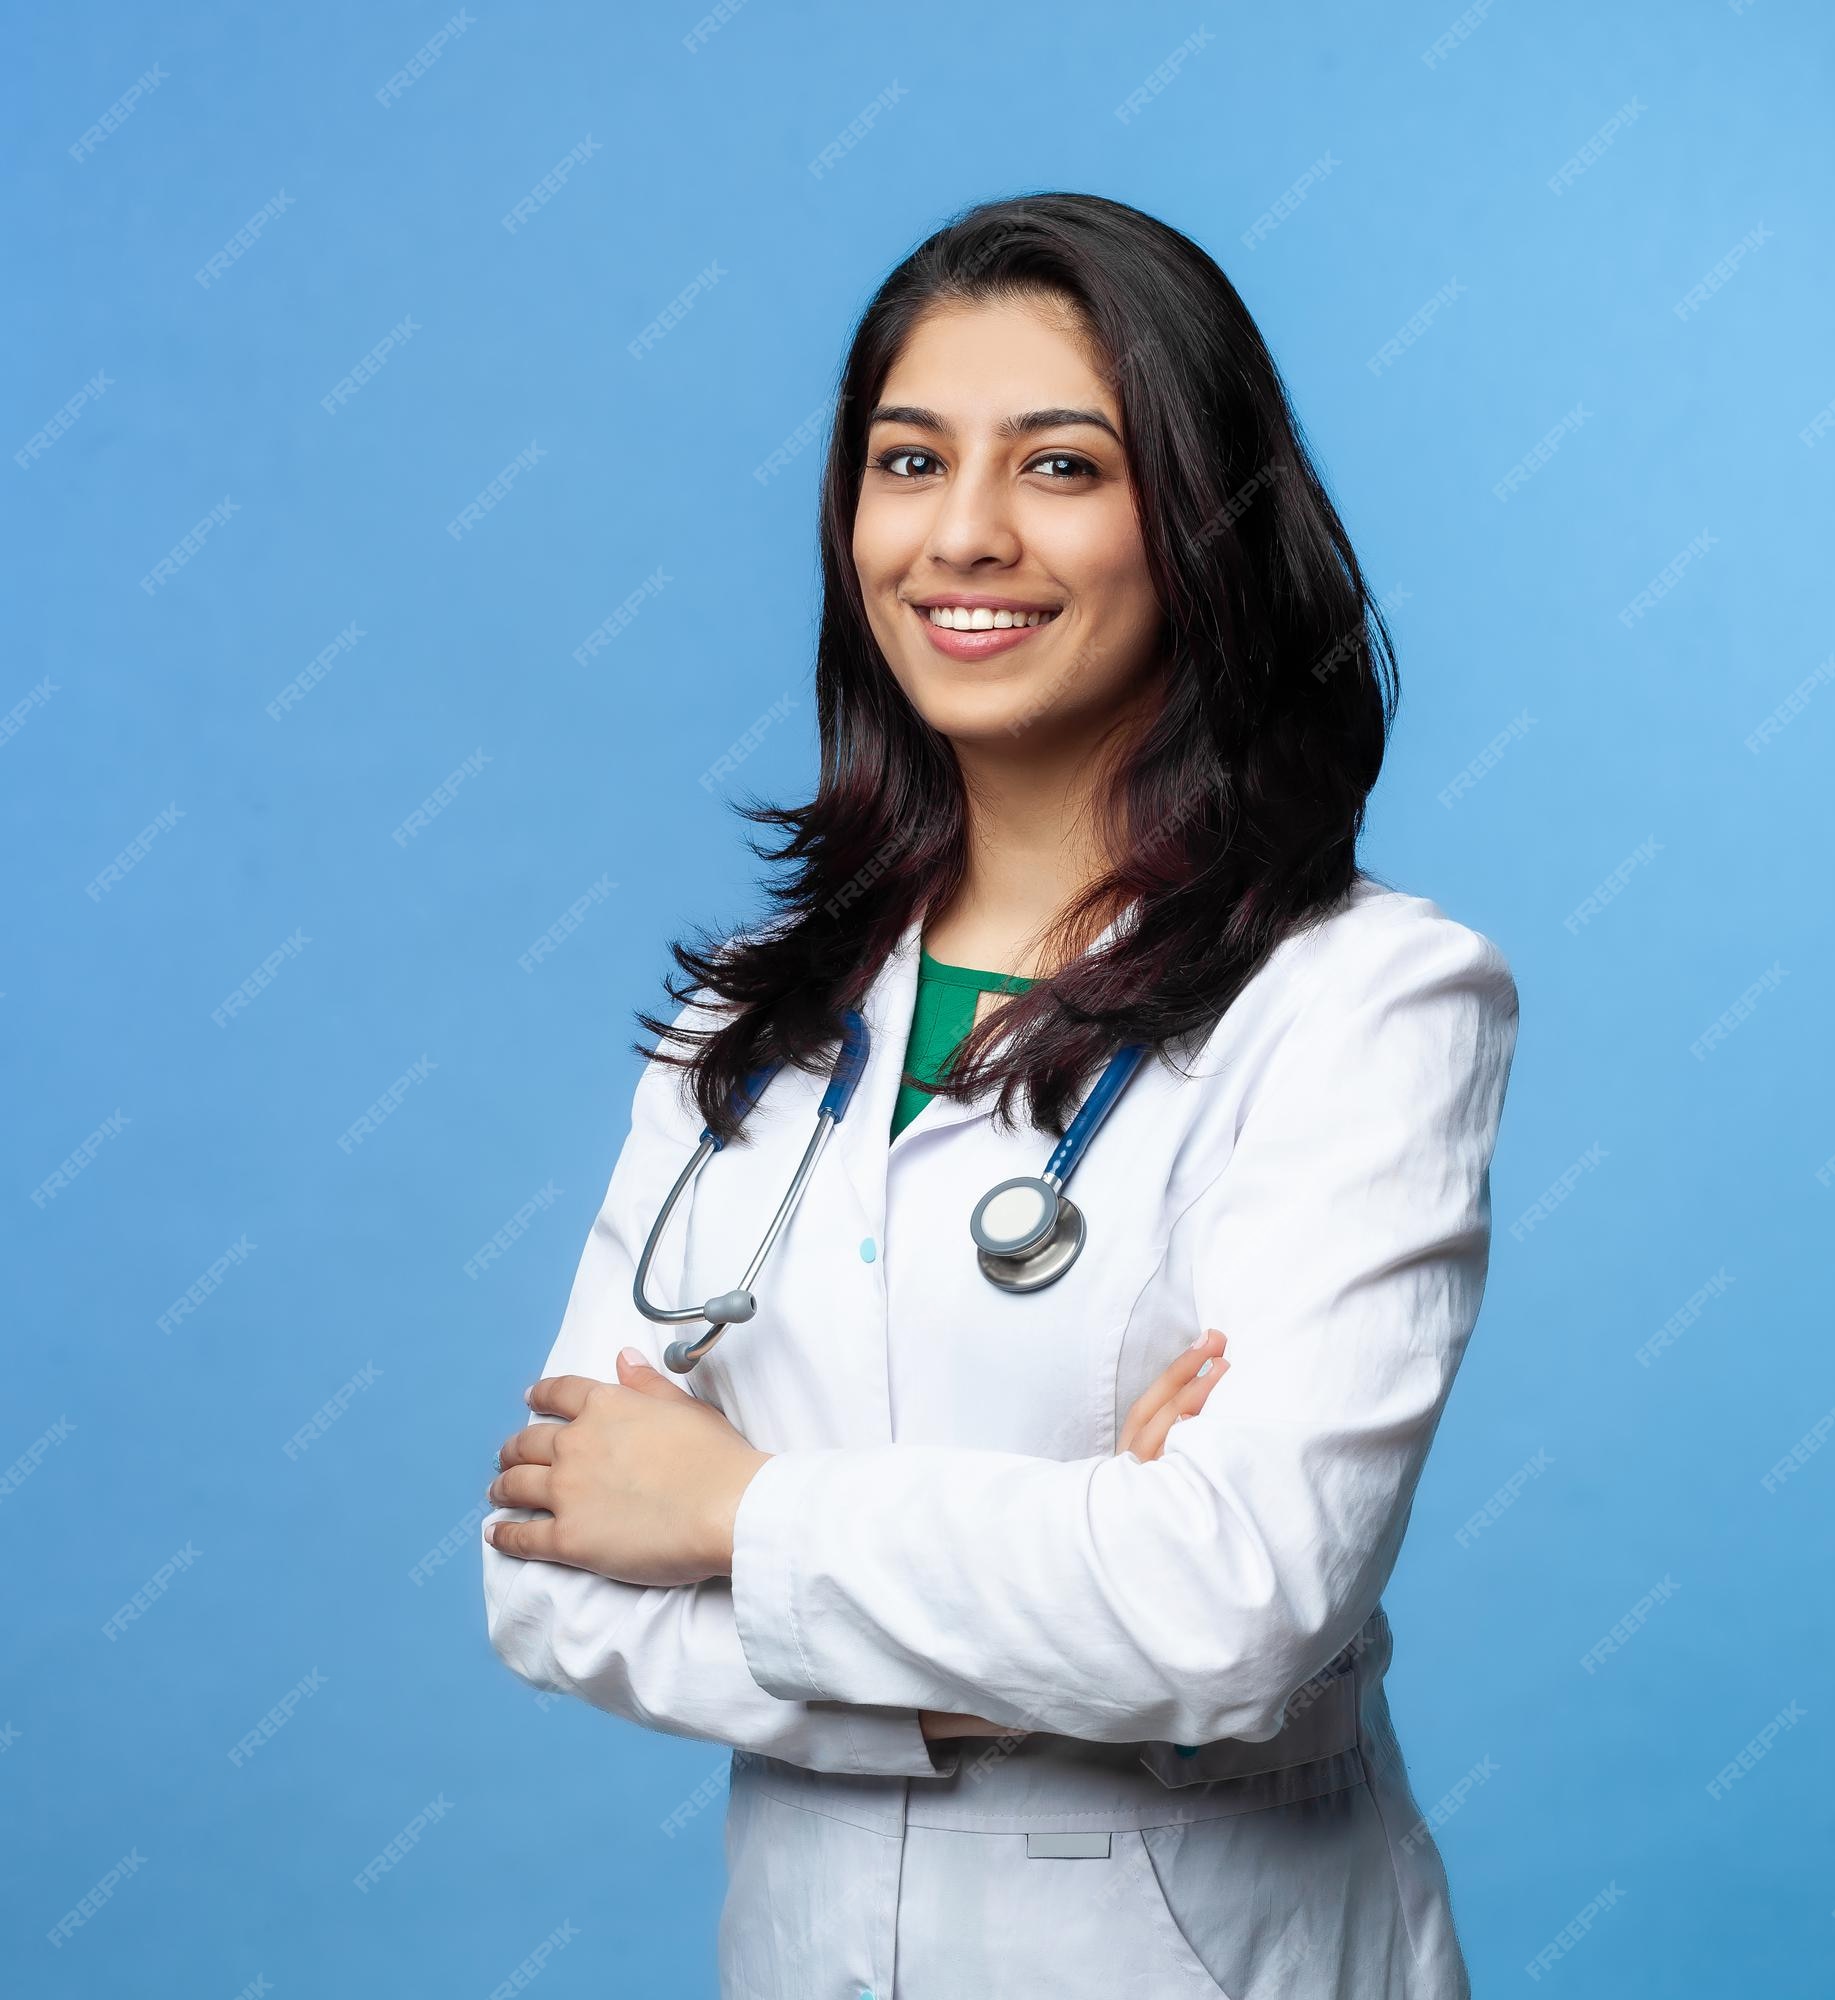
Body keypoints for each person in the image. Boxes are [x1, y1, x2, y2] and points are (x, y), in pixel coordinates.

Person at [482, 191, 1520, 1999]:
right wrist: (1035, 1606)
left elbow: (1239, 1606)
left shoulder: (1363, 998)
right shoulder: (754, 1018)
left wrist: (738, 1515)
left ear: (1198, 519)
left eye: (1059, 466)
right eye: (907, 461)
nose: (962, 535)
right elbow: (554, 1578)